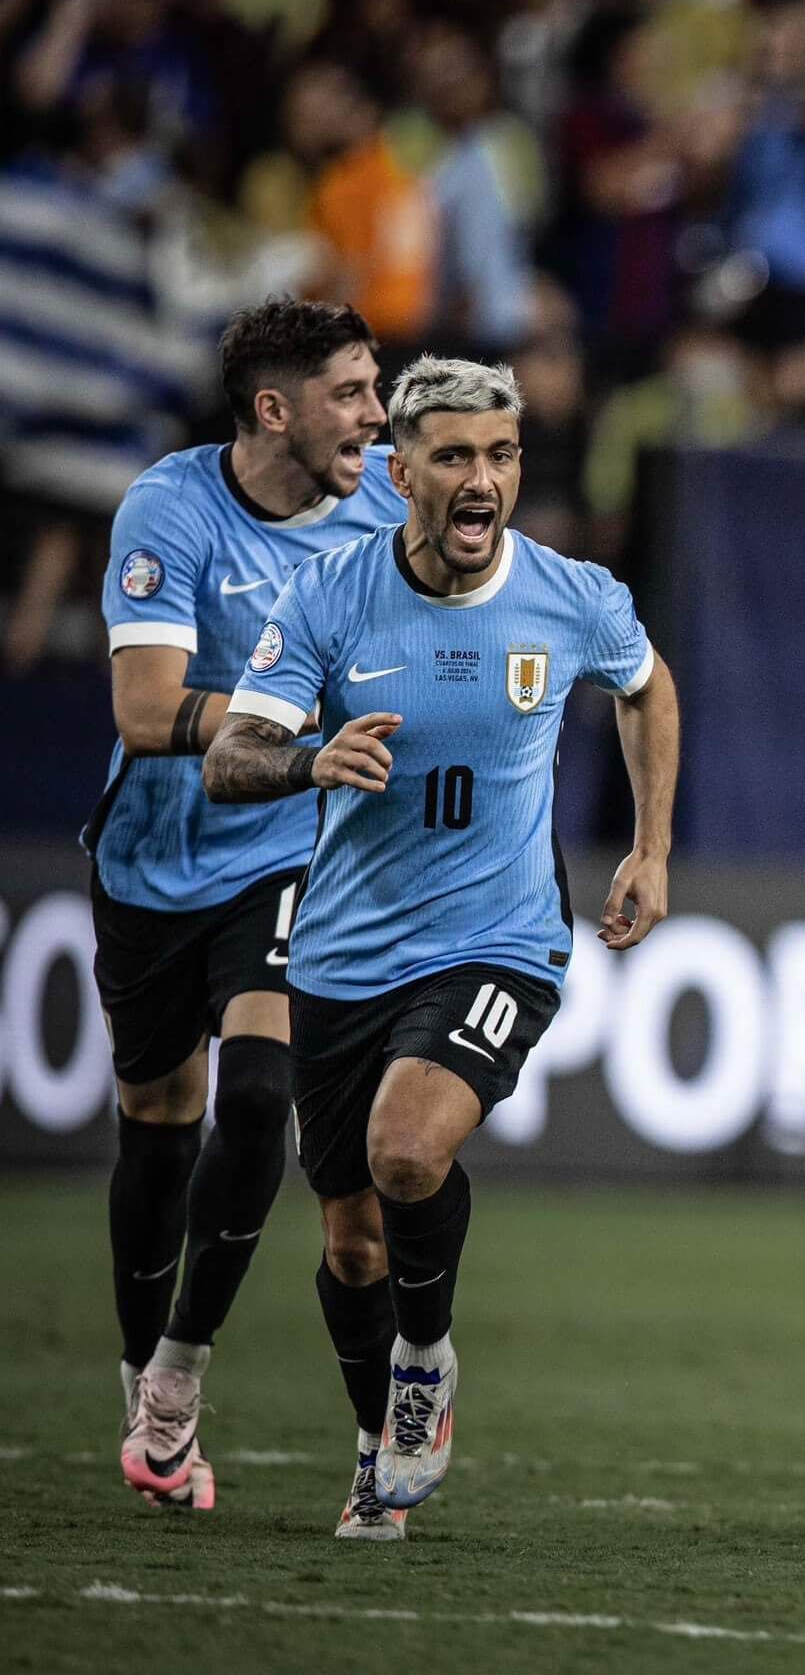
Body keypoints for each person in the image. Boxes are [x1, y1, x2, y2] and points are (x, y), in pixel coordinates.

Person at [202, 356, 678, 1540]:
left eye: (502, 456)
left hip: (500, 938)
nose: (482, 480)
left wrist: (649, 845)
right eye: (455, 456)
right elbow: (230, 757)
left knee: (407, 1151)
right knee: (352, 1236)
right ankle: (376, 1448)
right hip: (343, 956)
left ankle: (426, 1356)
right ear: (401, 468)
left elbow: (646, 684)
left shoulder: (567, 594)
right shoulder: (328, 597)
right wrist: (310, 758)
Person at [92, 298, 400, 1511]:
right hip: (153, 858)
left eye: (380, 392)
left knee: (262, 1094)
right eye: (352, 393)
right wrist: (285, 713)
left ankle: (180, 1365)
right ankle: (139, 1378)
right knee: (159, 1125)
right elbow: (141, 712)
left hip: (288, 846)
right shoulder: (170, 510)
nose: (375, 418)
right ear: (273, 409)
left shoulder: (387, 506)